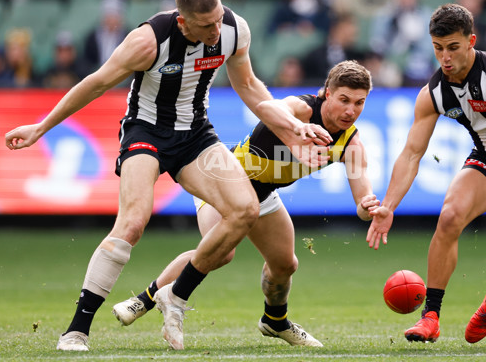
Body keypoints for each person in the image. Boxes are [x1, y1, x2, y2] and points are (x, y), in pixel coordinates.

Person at [5, 0, 331, 352]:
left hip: (195, 135)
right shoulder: (147, 41)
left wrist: (294, 126)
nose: (215, 30)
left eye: (218, 19)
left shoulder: (233, 29)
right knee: (133, 222)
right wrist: (41, 126)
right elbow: (95, 84)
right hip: (146, 133)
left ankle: (174, 297)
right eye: (205, 25)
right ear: (183, 23)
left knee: (245, 209)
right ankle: (76, 330)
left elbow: (252, 89)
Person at [111, 60, 379, 350]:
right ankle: (145, 300)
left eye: (359, 103)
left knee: (285, 264)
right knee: (222, 252)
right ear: (326, 93)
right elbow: (275, 107)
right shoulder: (303, 109)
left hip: (262, 195)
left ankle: (275, 320)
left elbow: (362, 201)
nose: (351, 110)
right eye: (344, 100)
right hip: (222, 182)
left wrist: (369, 207)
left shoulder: (352, 144)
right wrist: (297, 128)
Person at [366, 4, 486, 344]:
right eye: (438, 48)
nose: (445, 57)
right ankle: (431, 318)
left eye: (453, 47)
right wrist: (388, 206)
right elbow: (411, 154)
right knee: (449, 216)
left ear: (471, 41)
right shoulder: (433, 92)